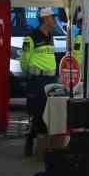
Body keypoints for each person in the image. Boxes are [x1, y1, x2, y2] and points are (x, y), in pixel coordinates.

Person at [19, 9, 59, 156]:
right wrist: (32, 73)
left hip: (51, 79)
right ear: (45, 18)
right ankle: (30, 140)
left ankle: (46, 143)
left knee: (50, 112)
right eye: (53, 18)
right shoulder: (31, 37)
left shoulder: (51, 35)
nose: (54, 20)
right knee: (38, 112)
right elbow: (24, 61)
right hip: (38, 80)